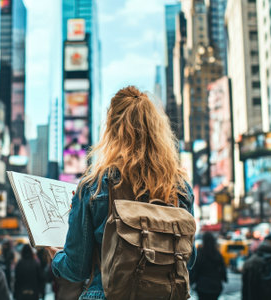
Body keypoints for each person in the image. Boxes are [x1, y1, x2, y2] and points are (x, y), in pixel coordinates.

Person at [46, 86, 195, 300]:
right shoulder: (180, 188)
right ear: (158, 131)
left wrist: (57, 256)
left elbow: (76, 269)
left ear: (112, 130)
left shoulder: (94, 186)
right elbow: (189, 259)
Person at [190, 232, 227, 300]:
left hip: (202, 286)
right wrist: (224, 278)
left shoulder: (200, 253)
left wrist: (192, 281)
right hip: (216, 286)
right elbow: (222, 269)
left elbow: (195, 269)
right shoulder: (217, 254)